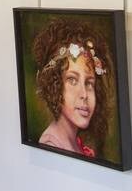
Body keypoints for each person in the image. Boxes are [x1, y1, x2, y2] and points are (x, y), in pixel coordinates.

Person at [31, 18, 114, 160]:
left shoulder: (76, 143)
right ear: (55, 86)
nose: (84, 94)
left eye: (89, 83)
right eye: (72, 80)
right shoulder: (52, 144)